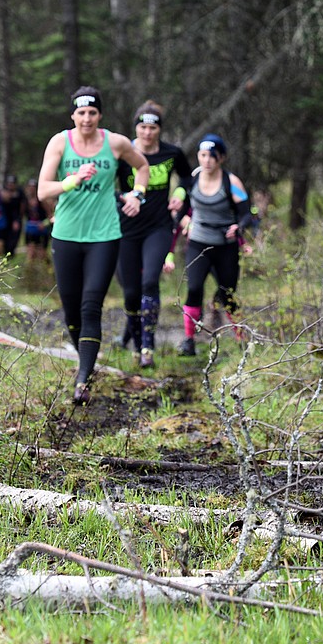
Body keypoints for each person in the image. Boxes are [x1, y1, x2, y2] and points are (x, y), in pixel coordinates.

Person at [38, 86, 150, 405]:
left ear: (100, 115)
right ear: (73, 115)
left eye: (92, 113)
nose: (86, 118)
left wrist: (137, 195)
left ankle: (83, 380)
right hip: (67, 235)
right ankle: (86, 362)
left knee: (91, 306)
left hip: (104, 235)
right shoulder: (60, 142)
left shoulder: (115, 143)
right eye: (81, 112)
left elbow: (143, 167)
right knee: (71, 310)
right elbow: (43, 191)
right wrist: (72, 180)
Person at [115, 100, 193, 368]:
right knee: (130, 291)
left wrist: (180, 194)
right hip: (126, 228)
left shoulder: (172, 153)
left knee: (150, 281)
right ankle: (136, 345)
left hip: (158, 227)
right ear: (135, 128)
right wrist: (121, 197)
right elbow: (105, 186)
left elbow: (187, 177)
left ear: (159, 130)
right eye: (143, 127)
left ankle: (148, 345)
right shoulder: (123, 154)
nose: (147, 133)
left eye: (153, 128)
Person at [177, 133, 252, 357]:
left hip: (225, 246)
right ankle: (188, 340)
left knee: (228, 294)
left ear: (221, 158)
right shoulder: (191, 181)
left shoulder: (231, 182)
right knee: (193, 288)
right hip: (198, 243)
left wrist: (238, 228)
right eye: (202, 155)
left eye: (212, 156)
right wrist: (185, 221)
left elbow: (246, 214)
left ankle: (241, 339)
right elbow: (179, 211)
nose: (207, 160)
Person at [20, 178, 51, 266]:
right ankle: (29, 273)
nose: (31, 189)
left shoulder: (42, 200)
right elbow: (21, 215)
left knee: (42, 254)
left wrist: (44, 224)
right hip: (30, 229)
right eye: (30, 187)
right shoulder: (25, 201)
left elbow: (50, 216)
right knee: (30, 253)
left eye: (33, 187)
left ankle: (49, 269)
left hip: (41, 230)